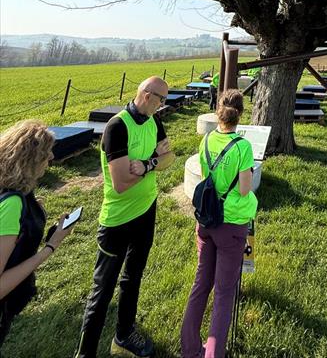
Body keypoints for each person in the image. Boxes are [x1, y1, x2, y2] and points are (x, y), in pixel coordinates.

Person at [74, 77, 175, 358]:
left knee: (133, 277)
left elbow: (170, 158)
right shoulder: (117, 127)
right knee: (102, 291)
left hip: (147, 209)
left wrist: (147, 164)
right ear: (147, 95)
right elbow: (120, 183)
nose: (163, 105)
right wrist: (153, 162)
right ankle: (85, 353)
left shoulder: (154, 121)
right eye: (161, 99)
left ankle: (124, 335)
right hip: (117, 220)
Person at [181, 88, 258, 358]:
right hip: (232, 224)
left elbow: (207, 179)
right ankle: (214, 353)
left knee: (201, 284)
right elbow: (245, 189)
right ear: (241, 115)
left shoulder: (206, 140)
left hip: (207, 220)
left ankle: (189, 348)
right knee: (224, 293)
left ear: (218, 112)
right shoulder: (243, 147)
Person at [0, 120, 75, 347]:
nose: (51, 157)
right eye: (46, 153)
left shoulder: (11, 189)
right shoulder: (12, 205)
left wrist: (31, 212)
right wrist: (50, 247)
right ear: (29, 160)